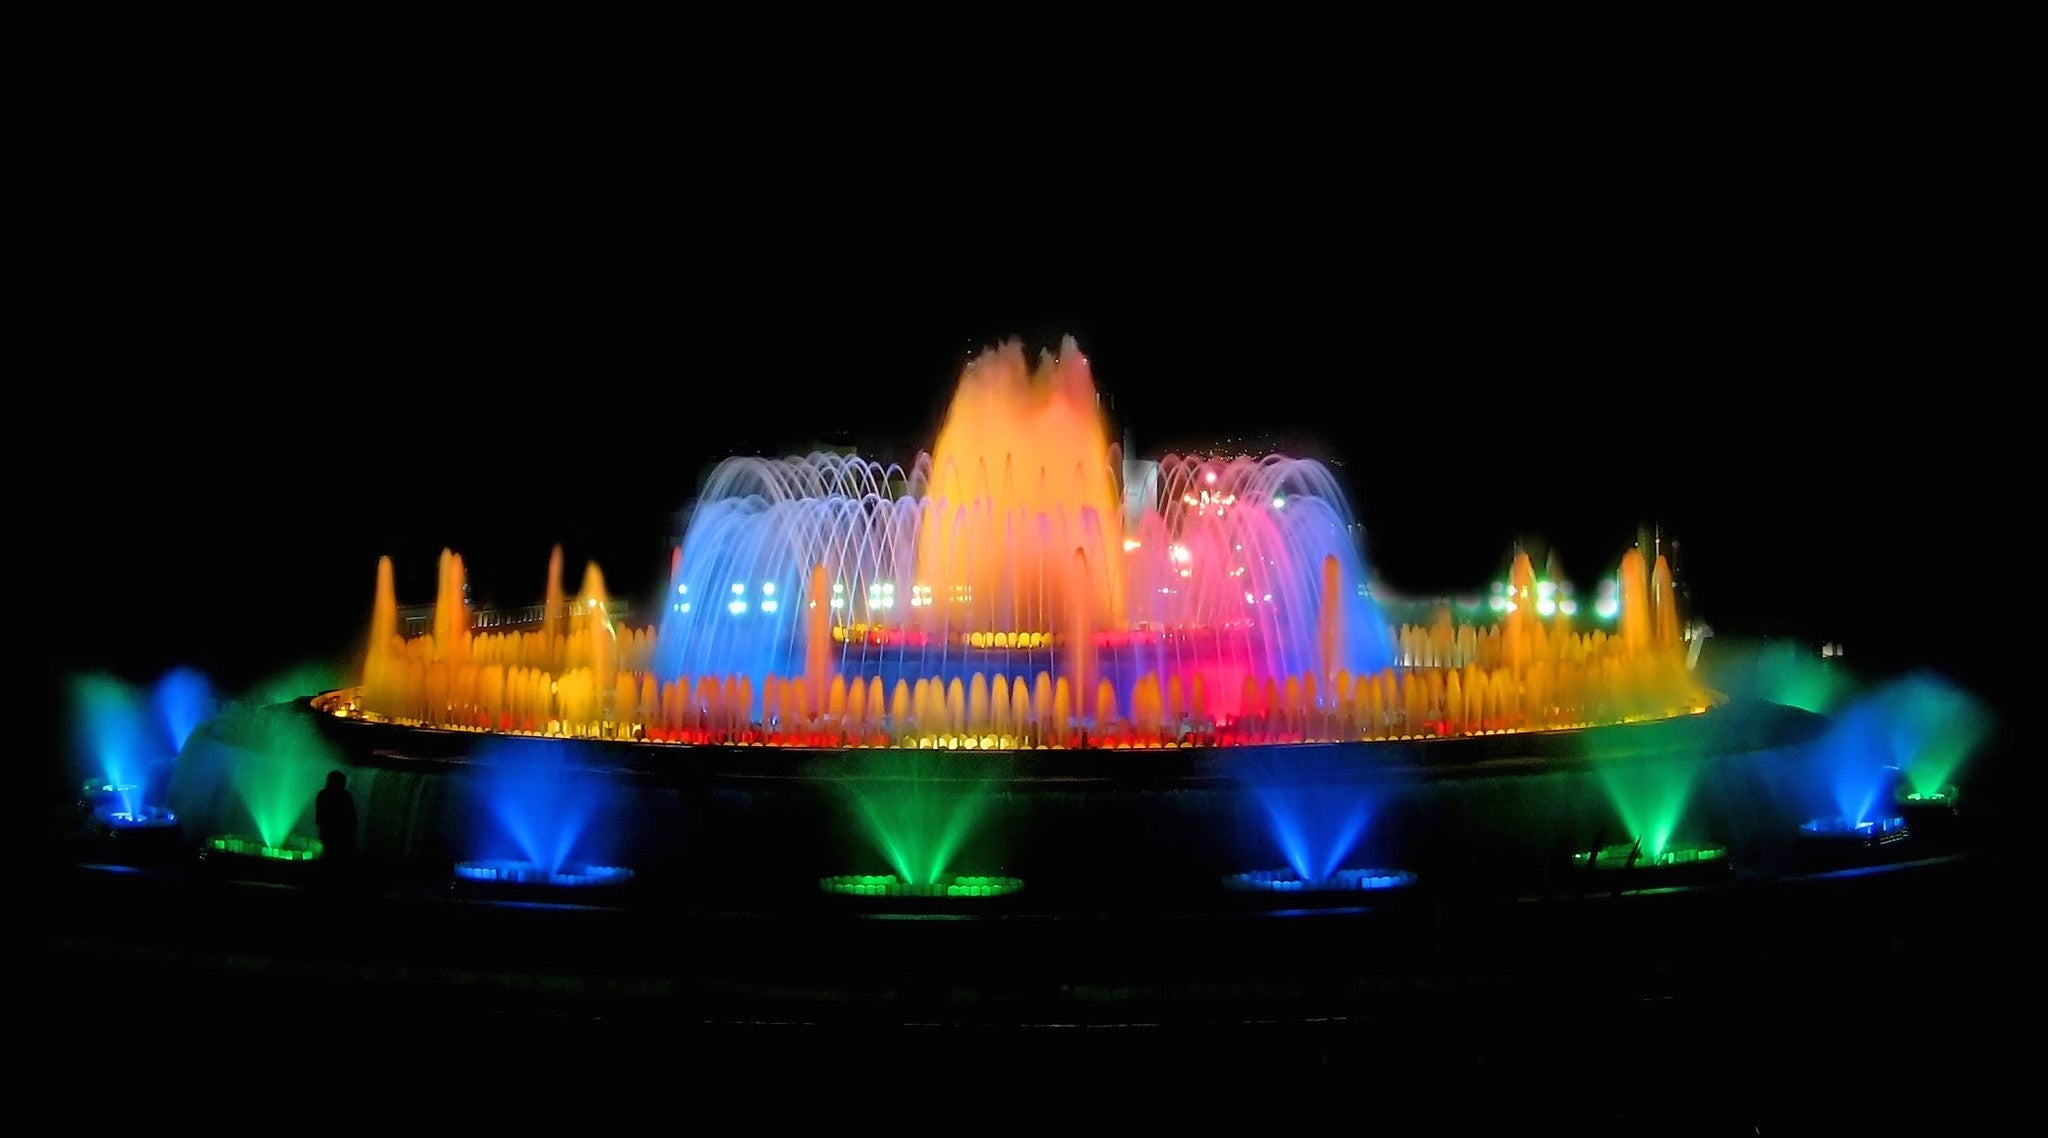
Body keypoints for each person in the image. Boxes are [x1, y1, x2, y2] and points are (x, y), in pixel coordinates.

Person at [315, 769, 358, 873]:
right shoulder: (345, 796)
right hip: (342, 836)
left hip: (328, 833)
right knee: (339, 861)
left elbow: (320, 816)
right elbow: (352, 816)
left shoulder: (323, 794)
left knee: (327, 857)